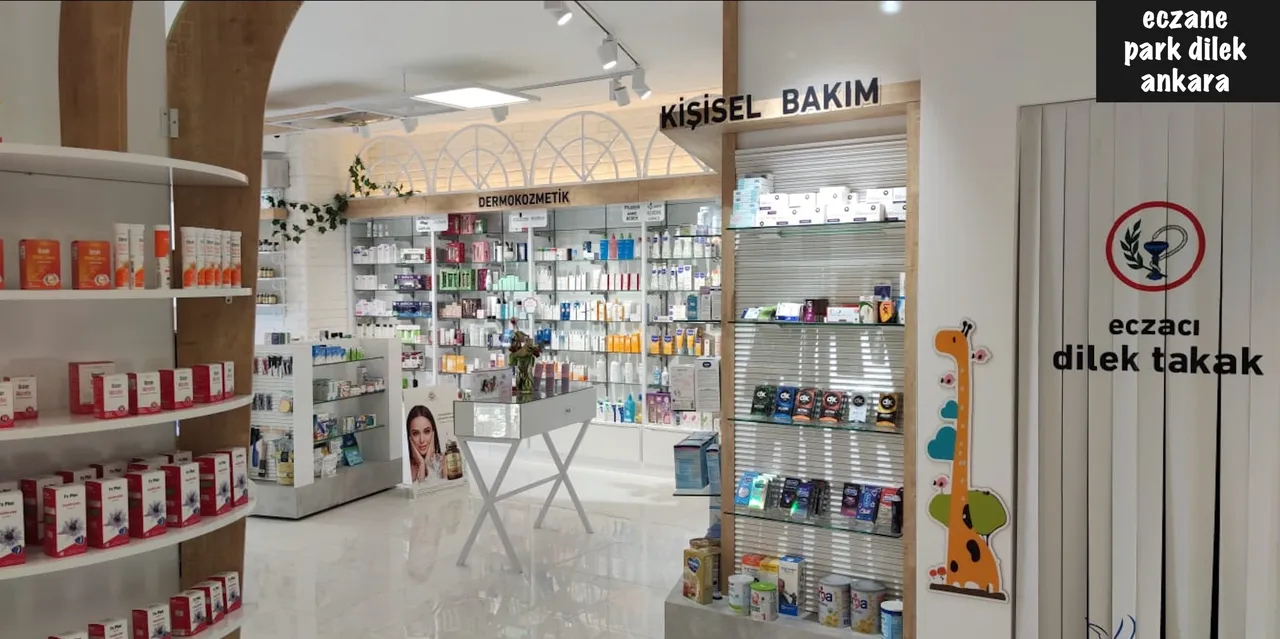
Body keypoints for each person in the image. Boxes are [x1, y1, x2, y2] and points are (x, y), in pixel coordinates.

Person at [406, 405, 444, 482]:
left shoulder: (445, 461)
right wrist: (421, 464)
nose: (422, 440)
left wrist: (428, 463)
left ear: (433, 433)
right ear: (409, 436)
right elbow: (420, 489)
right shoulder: (406, 468)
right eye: (415, 433)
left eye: (427, 431)